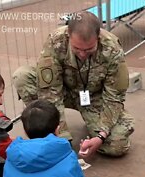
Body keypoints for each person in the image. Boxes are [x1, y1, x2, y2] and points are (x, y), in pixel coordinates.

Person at [12, 11, 134, 158]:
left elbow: (114, 97)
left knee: (117, 145)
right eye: (77, 49)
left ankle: (93, 122)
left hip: (95, 97)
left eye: (89, 49)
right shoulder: (56, 41)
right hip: (64, 91)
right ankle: (45, 131)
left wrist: (101, 135)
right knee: (22, 76)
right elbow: (50, 92)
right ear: (68, 36)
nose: (82, 54)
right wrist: (62, 139)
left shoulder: (112, 47)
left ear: (98, 37)